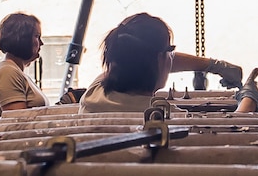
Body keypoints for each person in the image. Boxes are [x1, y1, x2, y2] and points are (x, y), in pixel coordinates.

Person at [78, 13, 243, 112]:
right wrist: (248, 100)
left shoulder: (94, 93)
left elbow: (140, 57)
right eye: (169, 52)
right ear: (159, 59)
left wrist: (213, 66)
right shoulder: (166, 114)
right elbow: (231, 129)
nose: (171, 58)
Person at [0, 12, 47, 117]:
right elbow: (18, 123)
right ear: (22, 39)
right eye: (37, 36)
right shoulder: (7, 72)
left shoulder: (16, 72)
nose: (41, 43)